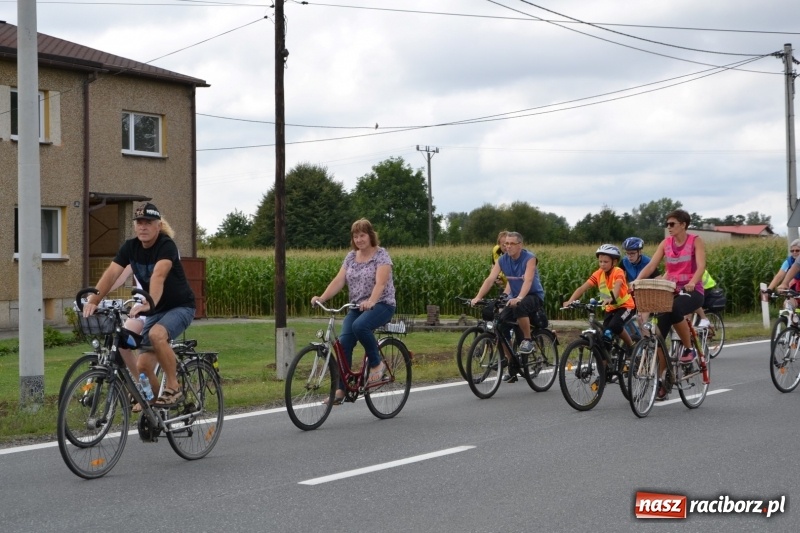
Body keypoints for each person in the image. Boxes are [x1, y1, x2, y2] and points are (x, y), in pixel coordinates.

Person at [83, 203, 195, 407]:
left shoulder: (166, 246)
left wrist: (148, 302)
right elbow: (112, 274)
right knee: (142, 366)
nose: (143, 227)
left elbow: (158, 276)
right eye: (139, 223)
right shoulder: (131, 247)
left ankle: (173, 387)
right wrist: (94, 300)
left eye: (148, 223)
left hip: (179, 307)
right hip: (154, 309)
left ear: (158, 225)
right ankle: (151, 404)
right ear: (135, 226)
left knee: (156, 335)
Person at [311, 219, 396, 404]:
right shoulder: (351, 257)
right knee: (344, 344)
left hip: (382, 305)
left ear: (370, 235)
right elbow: (339, 280)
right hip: (357, 307)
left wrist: (372, 301)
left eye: (362, 235)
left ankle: (376, 365)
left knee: (360, 326)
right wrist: (322, 297)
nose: (359, 239)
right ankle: (342, 389)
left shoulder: (381, 255)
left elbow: (381, 283)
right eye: (355, 236)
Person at [634, 209, 707, 400]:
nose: (669, 228)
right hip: (671, 291)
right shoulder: (665, 244)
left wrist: (693, 282)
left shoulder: (695, 241)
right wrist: (637, 281)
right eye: (667, 224)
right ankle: (663, 379)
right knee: (658, 336)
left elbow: (700, 266)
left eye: (672, 224)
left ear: (683, 224)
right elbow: (650, 266)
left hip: (693, 292)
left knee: (674, 309)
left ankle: (689, 349)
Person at [471, 231, 545, 382]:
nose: (508, 246)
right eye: (506, 244)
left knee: (520, 307)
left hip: (532, 296)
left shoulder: (530, 258)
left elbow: (528, 281)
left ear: (520, 245)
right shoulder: (503, 260)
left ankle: (528, 340)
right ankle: (512, 362)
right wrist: (478, 297)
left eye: (512, 244)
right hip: (515, 298)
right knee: (501, 325)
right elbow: (491, 278)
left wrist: (519, 297)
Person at [562, 244, 635, 348]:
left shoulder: (618, 271)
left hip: (625, 306)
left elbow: (617, 287)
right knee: (604, 339)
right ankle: (606, 362)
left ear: (614, 262)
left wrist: (611, 298)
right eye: (600, 261)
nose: (602, 264)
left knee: (614, 326)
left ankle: (631, 346)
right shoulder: (598, 274)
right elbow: (582, 288)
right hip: (610, 307)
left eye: (606, 262)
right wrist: (570, 300)